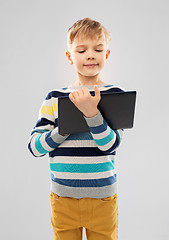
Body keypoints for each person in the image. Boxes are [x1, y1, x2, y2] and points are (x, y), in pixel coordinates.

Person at [28, 17, 125, 240]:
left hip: (103, 201)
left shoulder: (115, 96)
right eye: (81, 50)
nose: (90, 55)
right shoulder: (54, 98)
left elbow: (109, 144)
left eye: (98, 49)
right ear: (70, 56)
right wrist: (64, 127)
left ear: (107, 54)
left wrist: (92, 114)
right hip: (63, 200)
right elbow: (34, 147)